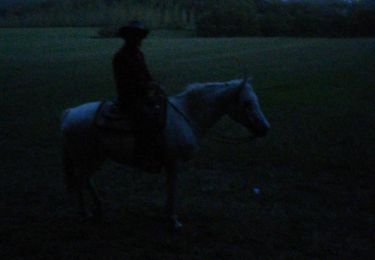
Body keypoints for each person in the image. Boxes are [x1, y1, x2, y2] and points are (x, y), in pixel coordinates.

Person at [113, 20, 166, 172]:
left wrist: (155, 84)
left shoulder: (138, 54)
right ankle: (142, 157)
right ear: (129, 38)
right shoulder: (120, 57)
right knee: (146, 119)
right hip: (129, 98)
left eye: (140, 36)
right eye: (136, 36)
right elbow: (126, 84)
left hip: (142, 95)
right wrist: (148, 86)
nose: (139, 40)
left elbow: (146, 75)